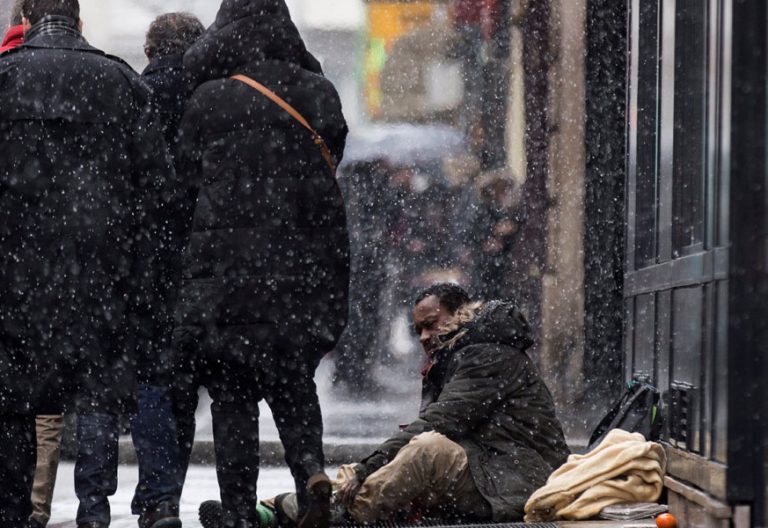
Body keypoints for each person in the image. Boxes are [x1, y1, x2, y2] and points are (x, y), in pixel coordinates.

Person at [171, 0, 350, 527]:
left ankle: (238, 508)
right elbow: (333, 151)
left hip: (226, 276)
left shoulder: (208, 99)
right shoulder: (317, 91)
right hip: (298, 268)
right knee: (294, 381)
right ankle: (311, 472)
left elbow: (185, 180)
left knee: (232, 394)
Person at [0, 0, 176, 526]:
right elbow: (158, 189)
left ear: (27, 20)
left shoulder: (5, 77)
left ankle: (13, 508)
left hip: (16, 273)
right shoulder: (120, 81)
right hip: (100, 270)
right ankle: (93, 510)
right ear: (78, 21)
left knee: (14, 399)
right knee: (96, 390)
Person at [205, 283, 569, 527]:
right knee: (399, 469)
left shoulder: (488, 355)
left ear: (460, 314)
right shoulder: (455, 356)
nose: (424, 338)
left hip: (520, 476)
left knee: (426, 450)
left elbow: (439, 423)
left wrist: (367, 467)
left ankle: (328, 514)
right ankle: (269, 512)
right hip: (487, 467)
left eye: (431, 325)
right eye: (418, 331)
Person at [127, 12, 205, 528]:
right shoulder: (214, 100)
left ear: (151, 48)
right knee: (185, 379)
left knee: (150, 376)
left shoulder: (133, 94)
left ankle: (159, 496)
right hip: (200, 260)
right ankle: (165, 487)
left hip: (143, 257)